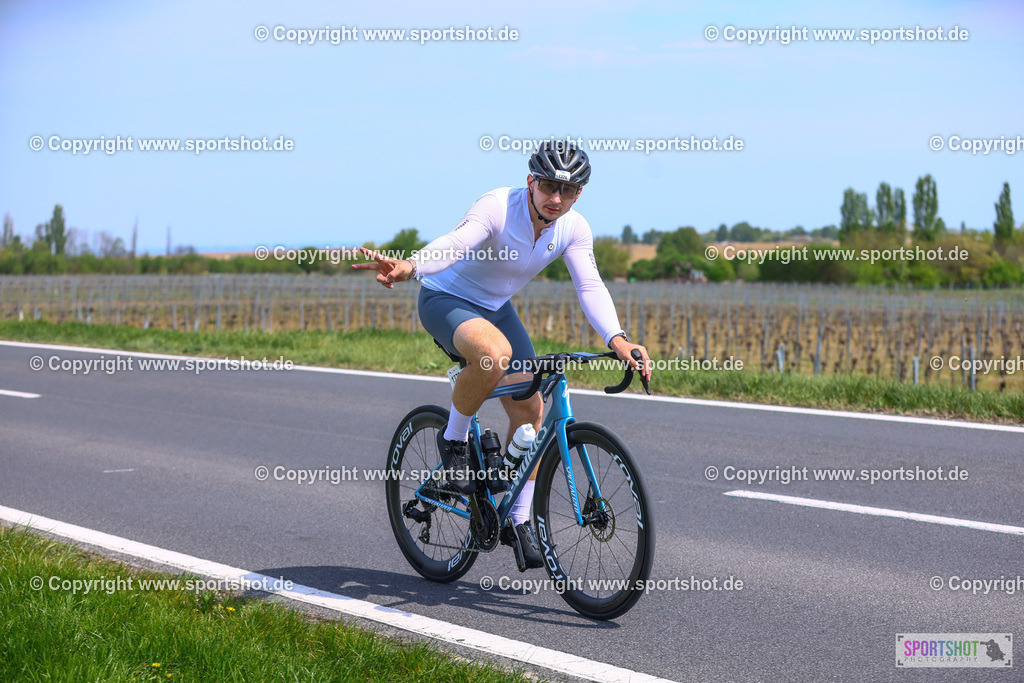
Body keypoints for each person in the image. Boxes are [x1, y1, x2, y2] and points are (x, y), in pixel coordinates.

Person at [353, 141, 651, 570]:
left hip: (496, 308)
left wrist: (618, 340)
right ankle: (453, 440)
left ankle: (518, 518)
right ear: (531, 182)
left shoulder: (574, 228)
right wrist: (412, 266)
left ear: (579, 194)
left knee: (531, 404)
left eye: (567, 192)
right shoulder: (497, 206)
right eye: (548, 186)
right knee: (494, 354)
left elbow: (589, 286)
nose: (556, 199)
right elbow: (455, 244)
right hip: (446, 298)